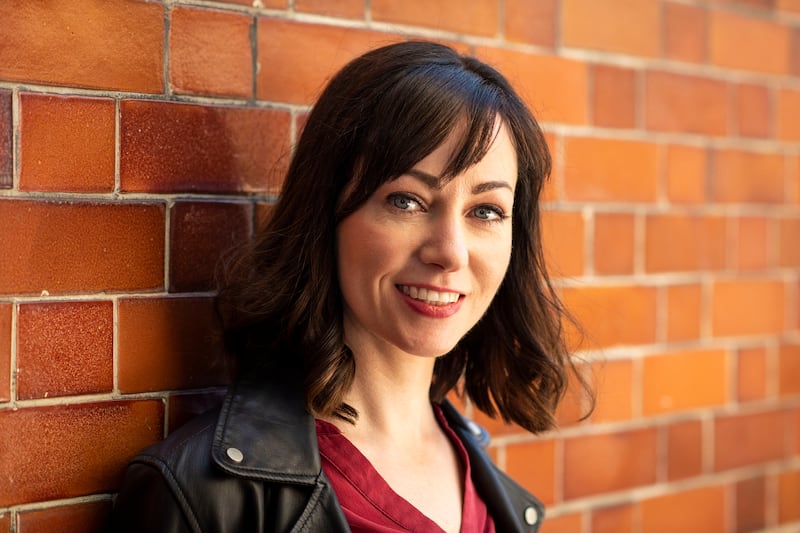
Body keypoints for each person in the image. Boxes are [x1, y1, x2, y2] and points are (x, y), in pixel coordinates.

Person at [109, 40, 586, 533]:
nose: (451, 252)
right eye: (407, 201)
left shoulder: (492, 488)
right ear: (327, 214)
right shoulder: (204, 496)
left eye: (486, 211)